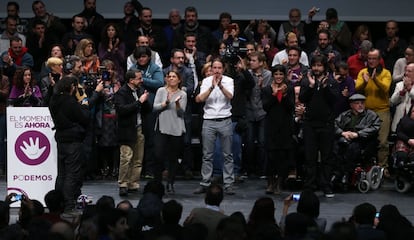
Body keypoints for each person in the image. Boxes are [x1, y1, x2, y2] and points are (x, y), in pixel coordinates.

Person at [48, 75, 90, 214]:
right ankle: (68, 204)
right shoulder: (70, 102)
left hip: (60, 139)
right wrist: (84, 104)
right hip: (73, 140)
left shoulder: (53, 100)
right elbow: (84, 118)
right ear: (72, 87)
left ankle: (58, 202)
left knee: (62, 173)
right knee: (72, 173)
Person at [299, 54, 339, 198]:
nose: (316, 68)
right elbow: (302, 98)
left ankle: (326, 185)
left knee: (327, 157)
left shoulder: (332, 82)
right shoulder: (306, 81)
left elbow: (335, 100)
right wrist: (310, 86)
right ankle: (309, 185)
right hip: (310, 124)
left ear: (324, 67)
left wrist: (324, 86)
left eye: (319, 65)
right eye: (314, 65)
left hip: (326, 124)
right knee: (310, 157)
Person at [194, 59, 235, 195]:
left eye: (219, 68)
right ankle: (205, 182)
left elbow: (230, 96)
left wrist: (221, 86)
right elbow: (199, 99)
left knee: (227, 154)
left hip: (225, 120)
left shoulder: (229, 81)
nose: (217, 70)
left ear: (223, 69)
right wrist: (212, 87)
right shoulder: (206, 81)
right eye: (214, 68)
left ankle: (229, 184)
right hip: (209, 120)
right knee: (207, 155)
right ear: (211, 69)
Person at [355, 48, 392, 176]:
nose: (371, 61)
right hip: (367, 112)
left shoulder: (386, 73)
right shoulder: (363, 72)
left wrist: (375, 79)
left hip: (382, 110)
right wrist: (365, 83)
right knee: (366, 140)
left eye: (374, 58)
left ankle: (383, 167)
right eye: (369, 58)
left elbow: (386, 89)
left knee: (382, 141)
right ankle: (367, 167)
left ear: (379, 59)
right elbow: (357, 89)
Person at [114, 69, 150, 196]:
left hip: (139, 128)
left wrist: (145, 101)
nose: (141, 80)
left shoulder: (140, 90)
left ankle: (133, 183)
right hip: (126, 130)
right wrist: (139, 102)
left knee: (138, 159)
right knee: (126, 158)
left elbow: (147, 109)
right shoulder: (122, 93)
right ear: (131, 80)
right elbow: (122, 110)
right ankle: (123, 183)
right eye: (139, 78)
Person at [333, 94, 381, 186]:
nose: (360, 105)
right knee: (334, 146)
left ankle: (346, 174)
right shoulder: (344, 114)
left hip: (362, 141)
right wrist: (342, 133)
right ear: (351, 105)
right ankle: (337, 173)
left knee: (352, 149)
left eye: (362, 103)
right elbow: (334, 125)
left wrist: (358, 134)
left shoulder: (371, 115)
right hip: (346, 138)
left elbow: (375, 128)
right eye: (357, 103)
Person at [261, 65, 294, 194]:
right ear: (273, 76)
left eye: (281, 74)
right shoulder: (266, 90)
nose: (279, 76)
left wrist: (284, 95)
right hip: (271, 126)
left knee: (282, 156)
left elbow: (290, 107)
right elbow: (266, 107)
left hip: (285, 126)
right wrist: (274, 95)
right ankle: (270, 183)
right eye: (276, 74)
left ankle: (279, 184)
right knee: (270, 156)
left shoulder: (289, 89)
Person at [163, 49, 195, 179]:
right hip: (168, 110)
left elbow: (190, 88)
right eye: (178, 58)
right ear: (172, 59)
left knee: (186, 141)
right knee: (167, 141)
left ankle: (187, 168)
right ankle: (167, 169)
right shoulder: (165, 71)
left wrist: (177, 90)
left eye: (182, 58)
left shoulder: (188, 72)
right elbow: (163, 88)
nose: (181, 60)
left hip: (184, 111)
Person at [153, 70, 187, 192]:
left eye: (174, 77)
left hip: (176, 128)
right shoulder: (161, 91)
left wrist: (177, 104)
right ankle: (157, 183)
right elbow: (155, 108)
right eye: (169, 76)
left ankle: (170, 182)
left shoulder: (183, 93)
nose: (171, 78)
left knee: (173, 158)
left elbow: (181, 113)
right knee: (158, 156)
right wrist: (166, 103)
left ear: (179, 80)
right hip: (162, 127)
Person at [245, 52, 272, 178]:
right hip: (250, 110)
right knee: (249, 142)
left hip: (262, 111)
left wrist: (261, 87)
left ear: (261, 62)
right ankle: (249, 170)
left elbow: (268, 93)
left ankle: (262, 170)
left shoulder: (268, 74)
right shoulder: (248, 74)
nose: (251, 62)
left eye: (254, 60)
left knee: (262, 142)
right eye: (250, 60)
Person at [95, 60, 121, 180]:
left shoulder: (117, 84)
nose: (108, 71)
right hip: (103, 117)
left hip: (115, 117)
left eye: (111, 69)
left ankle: (115, 168)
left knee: (115, 144)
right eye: (106, 69)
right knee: (103, 144)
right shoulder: (99, 84)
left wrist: (118, 91)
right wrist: (99, 88)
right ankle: (104, 167)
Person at [390, 63, 414, 133]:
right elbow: (392, 101)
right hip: (400, 117)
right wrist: (402, 91)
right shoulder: (399, 85)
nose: (406, 73)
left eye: (409, 71)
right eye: (406, 71)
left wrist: (409, 89)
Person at [0, 69, 9, 176]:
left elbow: (5, 94)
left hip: (1, 112)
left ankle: (1, 165)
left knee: (1, 141)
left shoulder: (4, 79)